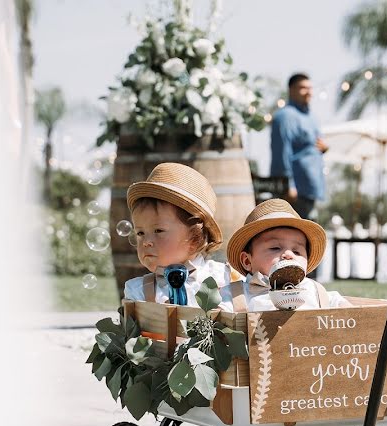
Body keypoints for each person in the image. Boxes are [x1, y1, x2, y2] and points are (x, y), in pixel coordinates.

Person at [123, 162, 240, 306]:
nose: (146, 241)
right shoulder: (138, 291)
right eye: (140, 233)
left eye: (158, 230)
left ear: (195, 238)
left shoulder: (226, 278)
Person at [218, 199, 349, 312]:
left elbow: (339, 305)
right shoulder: (236, 295)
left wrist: (344, 307)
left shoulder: (315, 291)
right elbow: (216, 316)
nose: (288, 255)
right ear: (247, 261)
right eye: (275, 248)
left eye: (297, 251)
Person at [269, 73, 328, 220]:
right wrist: (287, 185)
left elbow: (311, 147)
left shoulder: (312, 117)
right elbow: (281, 152)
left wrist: (324, 148)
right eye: (303, 88)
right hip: (295, 192)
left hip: (311, 189)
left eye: (310, 88)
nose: (309, 92)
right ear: (291, 90)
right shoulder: (285, 117)